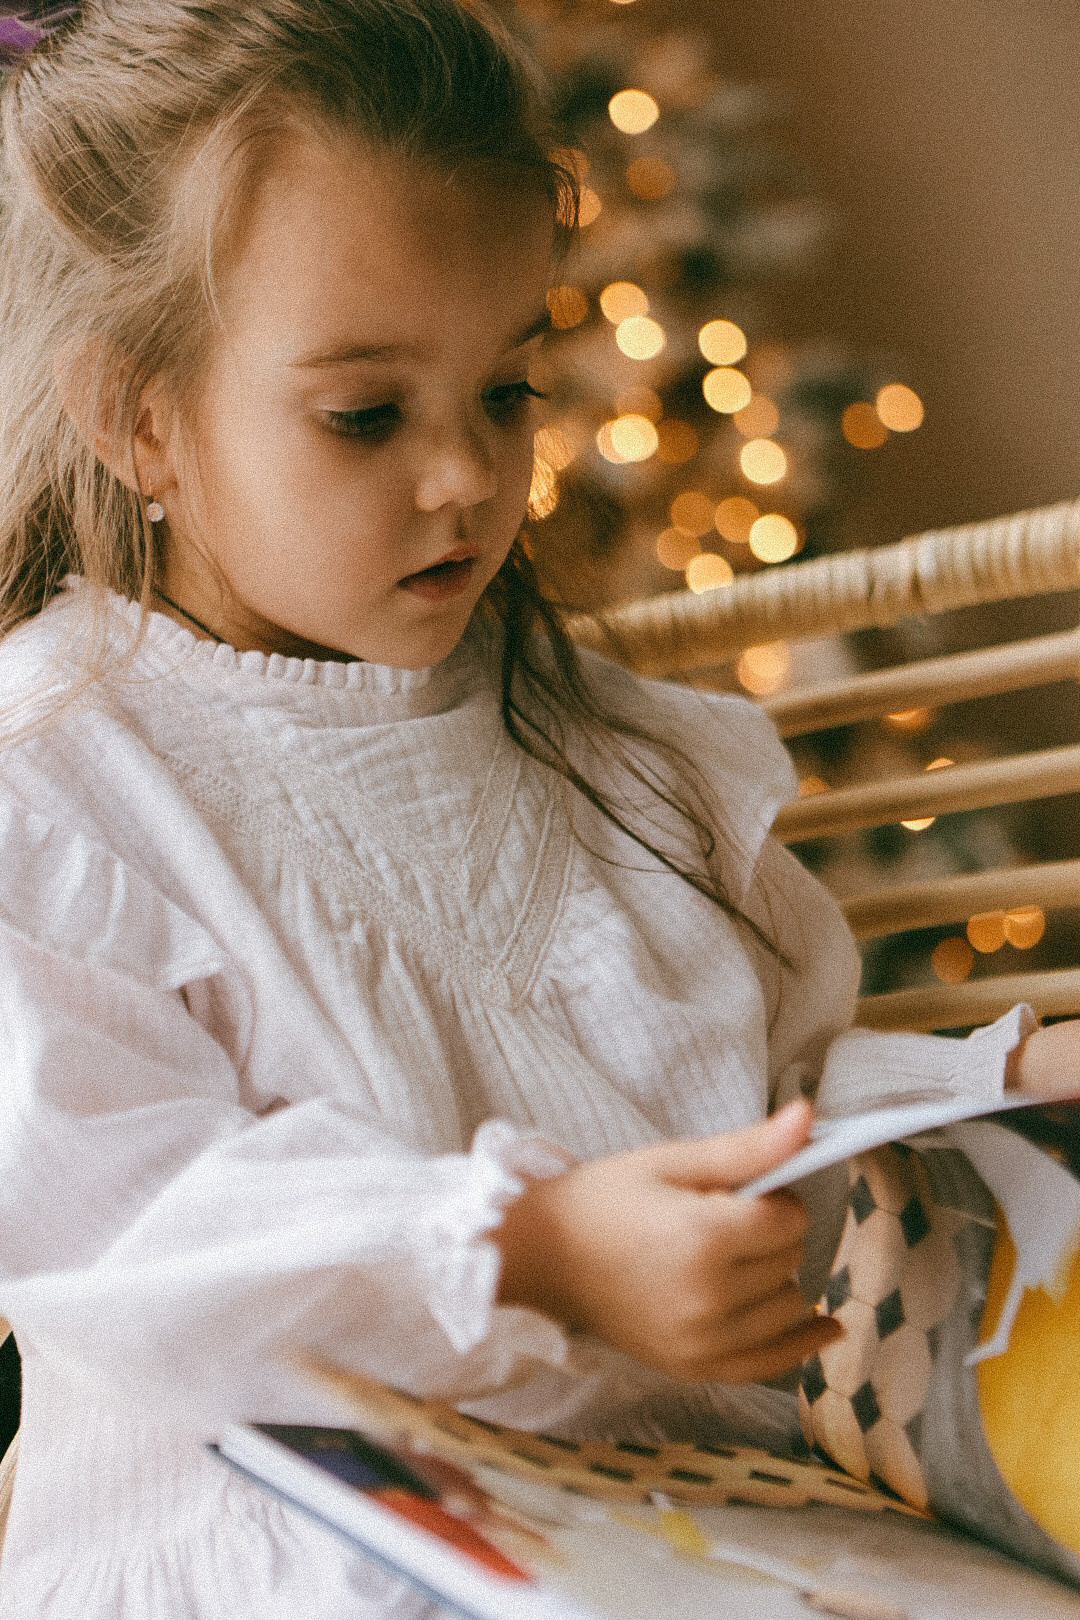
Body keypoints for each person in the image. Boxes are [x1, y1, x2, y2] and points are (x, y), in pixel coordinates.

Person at [0, 2, 1074, 1615]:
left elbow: (771, 1091)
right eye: (368, 415)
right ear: (137, 415)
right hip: (304, 1559)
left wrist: (990, 1087)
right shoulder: (63, 784)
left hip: (725, 1543)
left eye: (506, 392)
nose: (467, 478)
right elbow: (127, 1232)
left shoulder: (622, 753)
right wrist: (533, 1247)